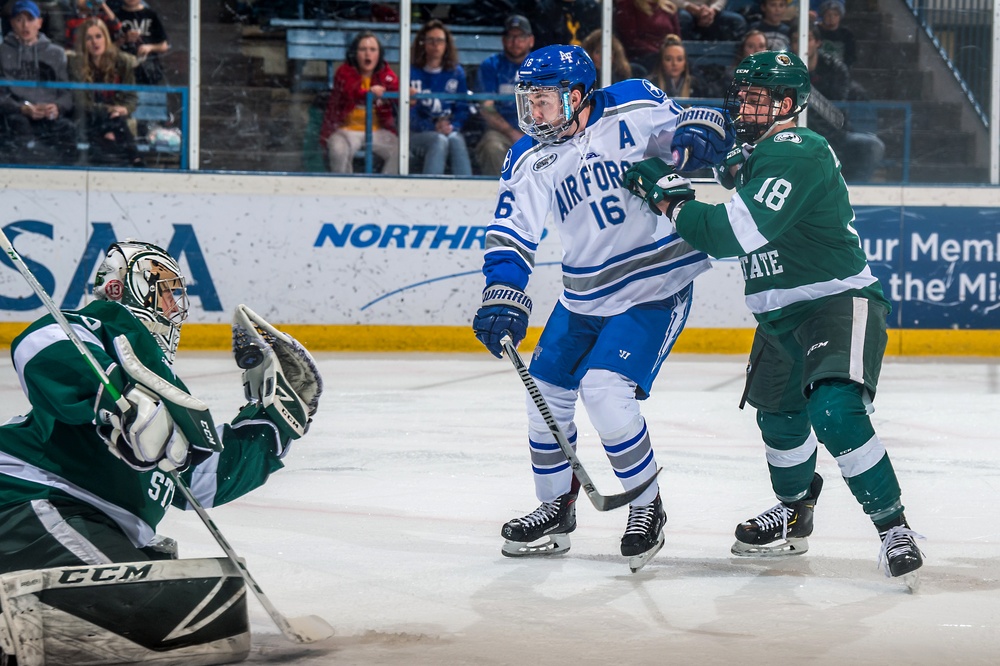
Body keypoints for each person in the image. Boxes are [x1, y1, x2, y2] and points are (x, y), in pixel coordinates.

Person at [621, 50, 924, 584]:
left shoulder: (798, 147)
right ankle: (794, 512)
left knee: (834, 409)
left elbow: (729, 236)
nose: (742, 103)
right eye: (741, 94)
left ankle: (892, 527)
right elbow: (730, 217)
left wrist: (670, 201)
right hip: (778, 316)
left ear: (787, 104)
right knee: (778, 419)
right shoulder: (761, 155)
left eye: (755, 96)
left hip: (833, 302)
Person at [0, 240, 322, 663]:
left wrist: (274, 421)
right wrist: (110, 396)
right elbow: (40, 344)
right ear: (120, 289)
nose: (175, 304)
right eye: (163, 288)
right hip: (31, 503)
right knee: (168, 621)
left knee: (187, 606)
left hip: (80, 519)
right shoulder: (105, 325)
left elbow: (205, 481)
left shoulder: (165, 385)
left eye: (176, 291)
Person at [472, 44, 711, 572]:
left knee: (604, 392)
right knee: (544, 395)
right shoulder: (528, 157)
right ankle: (556, 508)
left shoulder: (631, 104)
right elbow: (510, 234)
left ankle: (647, 507)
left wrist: (701, 135)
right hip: (583, 295)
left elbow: (696, 122)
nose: (534, 114)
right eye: (528, 102)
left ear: (577, 96)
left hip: (655, 282)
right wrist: (502, 291)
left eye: (545, 102)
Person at [0, 0, 77, 165]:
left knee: (68, 130)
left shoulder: (56, 53)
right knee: (16, 125)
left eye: (30, 19)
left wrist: (57, 107)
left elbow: (67, 94)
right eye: (20, 20)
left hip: (48, 115)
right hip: (16, 115)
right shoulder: (2, 52)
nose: (25, 25)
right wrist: (21, 108)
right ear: (12, 23)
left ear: (40, 23)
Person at [803, 26, 884, 182]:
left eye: (808, 39)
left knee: (873, 146)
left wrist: (807, 91)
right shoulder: (785, 71)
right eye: (797, 40)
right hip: (802, 138)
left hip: (836, 135)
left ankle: (854, 191)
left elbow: (837, 106)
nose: (802, 43)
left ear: (818, 42)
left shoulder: (835, 67)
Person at [320, 30, 399, 174]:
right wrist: (370, 93)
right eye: (363, 49)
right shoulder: (344, 72)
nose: (368, 54)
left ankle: (385, 189)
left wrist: (408, 94)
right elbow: (352, 92)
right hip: (345, 130)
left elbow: (397, 91)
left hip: (376, 131)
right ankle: (345, 191)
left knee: (400, 151)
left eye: (373, 50)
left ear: (379, 54)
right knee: (338, 150)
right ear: (355, 53)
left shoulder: (385, 75)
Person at [70, 17, 143, 167]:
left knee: (112, 130)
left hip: (115, 118)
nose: (95, 42)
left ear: (106, 38)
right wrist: (108, 110)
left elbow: (131, 97)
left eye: (98, 36)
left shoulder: (123, 62)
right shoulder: (76, 64)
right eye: (89, 38)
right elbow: (81, 102)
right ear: (83, 42)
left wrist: (124, 109)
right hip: (90, 117)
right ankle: (136, 160)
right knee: (113, 125)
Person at [409, 19, 472, 175]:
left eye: (440, 41)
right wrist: (431, 127)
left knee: (455, 139)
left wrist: (453, 126)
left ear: (446, 45)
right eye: (431, 40)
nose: (436, 45)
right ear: (422, 43)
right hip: (417, 134)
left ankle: (465, 190)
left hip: (447, 129)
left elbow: (463, 107)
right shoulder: (411, 72)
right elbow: (408, 112)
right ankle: (430, 191)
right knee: (439, 140)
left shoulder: (456, 73)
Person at [474, 14, 533, 177]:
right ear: (503, 40)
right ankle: (501, 193)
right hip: (500, 132)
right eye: (510, 36)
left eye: (521, 36)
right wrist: (512, 133)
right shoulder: (490, 66)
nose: (515, 42)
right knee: (492, 146)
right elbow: (486, 108)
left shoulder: (541, 65)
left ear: (531, 40)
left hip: (538, 130)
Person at [613, 0, 680, 73]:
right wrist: (659, 52)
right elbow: (631, 40)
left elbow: (676, 37)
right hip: (642, 55)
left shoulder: (669, 8)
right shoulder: (628, 5)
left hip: (667, 52)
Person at [114, 0, 170, 85]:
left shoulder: (151, 15)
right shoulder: (115, 16)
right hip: (123, 71)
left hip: (149, 72)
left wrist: (150, 47)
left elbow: (164, 46)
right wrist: (124, 39)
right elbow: (107, 47)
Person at [646, 34, 710, 99]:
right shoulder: (650, 85)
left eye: (679, 59)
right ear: (661, 62)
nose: (674, 63)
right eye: (668, 59)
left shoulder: (696, 85)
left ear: (685, 62)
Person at [521, 0, 601, 48]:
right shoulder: (544, 9)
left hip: (587, 65)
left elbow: (599, 42)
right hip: (556, 66)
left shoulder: (591, 8)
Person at [678, 0, 747, 42]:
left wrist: (712, 11)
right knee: (684, 18)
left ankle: (736, 61)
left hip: (708, 11)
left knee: (737, 22)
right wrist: (693, 9)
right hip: (683, 9)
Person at [816, 0, 855, 68]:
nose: (832, 18)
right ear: (823, 16)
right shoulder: (816, 32)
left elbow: (850, 57)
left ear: (840, 16)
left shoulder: (847, 35)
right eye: (828, 15)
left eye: (835, 15)